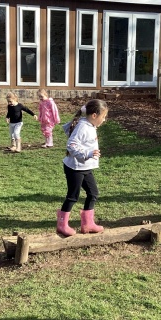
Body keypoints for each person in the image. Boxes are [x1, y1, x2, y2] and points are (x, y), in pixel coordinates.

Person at [57, 99, 108, 237]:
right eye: (103, 117)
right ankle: (62, 225)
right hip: (75, 168)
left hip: (85, 167)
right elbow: (71, 145)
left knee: (93, 193)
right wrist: (87, 154)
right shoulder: (83, 127)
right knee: (73, 196)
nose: (104, 120)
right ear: (94, 115)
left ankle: (87, 224)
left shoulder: (89, 125)